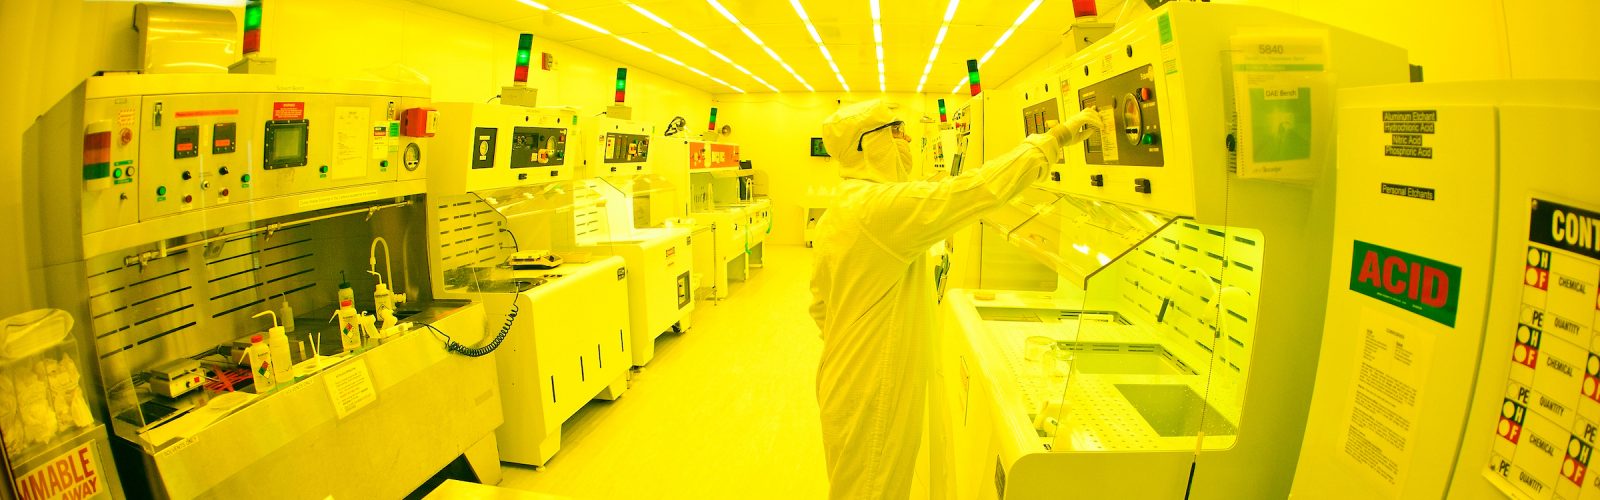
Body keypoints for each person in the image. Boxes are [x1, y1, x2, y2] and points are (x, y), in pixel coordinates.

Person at [809, 99, 1099, 499]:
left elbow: (819, 306)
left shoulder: (846, 207)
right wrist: (1053, 140)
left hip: (845, 373)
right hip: (871, 388)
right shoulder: (878, 209)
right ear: (866, 145)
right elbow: (974, 190)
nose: (908, 139)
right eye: (897, 131)